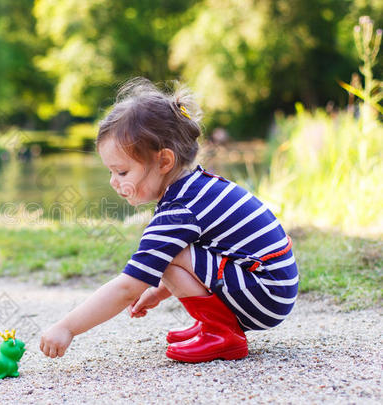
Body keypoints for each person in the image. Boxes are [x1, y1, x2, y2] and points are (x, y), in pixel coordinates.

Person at [39, 77, 298, 363]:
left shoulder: (179, 210)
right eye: (110, 172)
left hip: (264, 293)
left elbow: (127, 287)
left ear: (164, 161)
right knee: (166, 253)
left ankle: (222, 334)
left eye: (122, 172)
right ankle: (213, 325)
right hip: (271, 286)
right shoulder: (194, 188)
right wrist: (159, 291)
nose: (113, 182)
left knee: (165, 254)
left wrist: (67, 328)